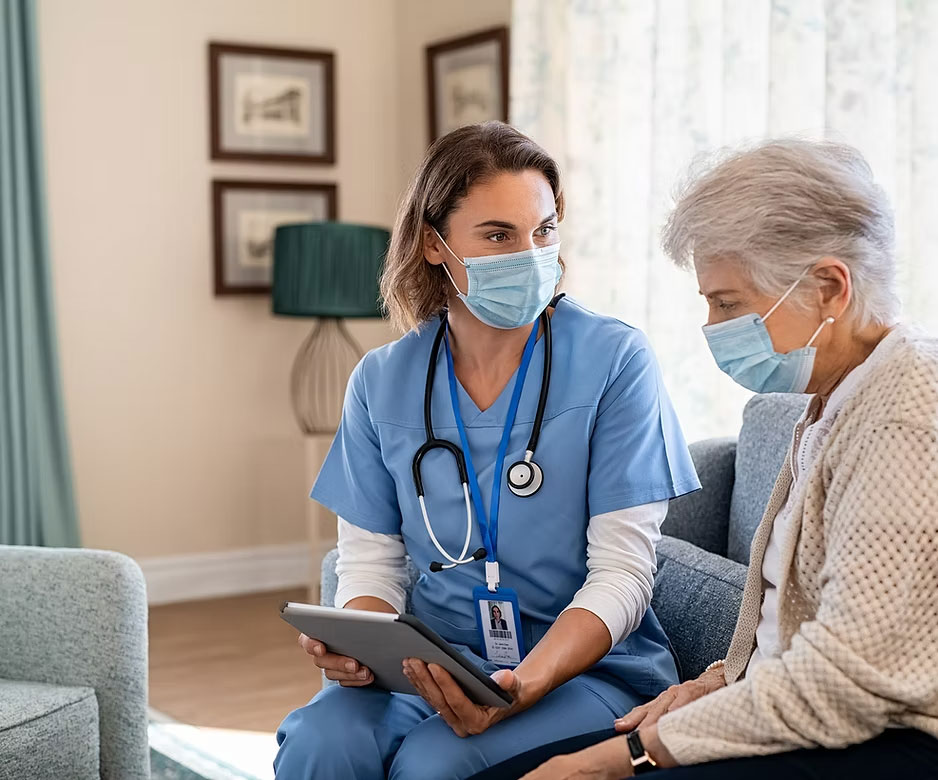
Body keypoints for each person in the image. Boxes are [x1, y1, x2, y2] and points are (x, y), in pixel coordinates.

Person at [479, 139, 938, 779]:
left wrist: (627, 757)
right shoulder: (832, 399)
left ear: (830, 287)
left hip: (881, 744)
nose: (713, 327)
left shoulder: (903, 415)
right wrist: (717, 683)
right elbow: (793, 627)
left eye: (728, 303)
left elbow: (845, 683)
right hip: (802, 717)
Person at [273, 121, 701, 780]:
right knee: (321, 743)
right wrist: (358, 646)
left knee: (432, 766)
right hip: (432, 663)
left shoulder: (614, 361)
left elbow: (623, 574)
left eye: (545, 231)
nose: (531, 254)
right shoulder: (383, 381)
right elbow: (369, 564)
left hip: (579, 672)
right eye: (499, 235)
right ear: (434, 244)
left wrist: (520, 686)